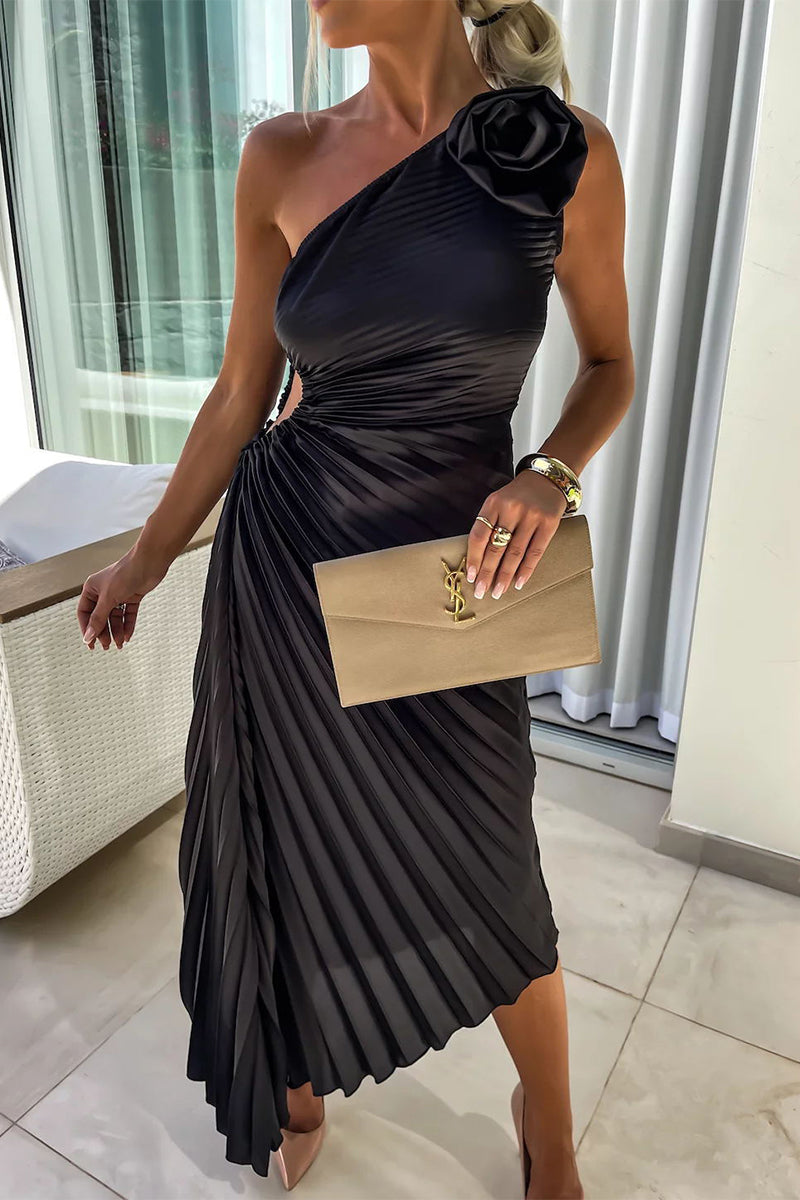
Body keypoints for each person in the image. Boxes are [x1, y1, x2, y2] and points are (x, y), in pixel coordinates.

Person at [76, 1, 632, 1195]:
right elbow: (240, 392)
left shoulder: (555, 150)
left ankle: (545, 1115)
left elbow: (608, 363)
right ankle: (295, 1077)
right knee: (282, 844)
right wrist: (146, 558)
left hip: (452, 579)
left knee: (489, 859)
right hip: (282, 565)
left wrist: (548, 471)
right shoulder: (278, 155)